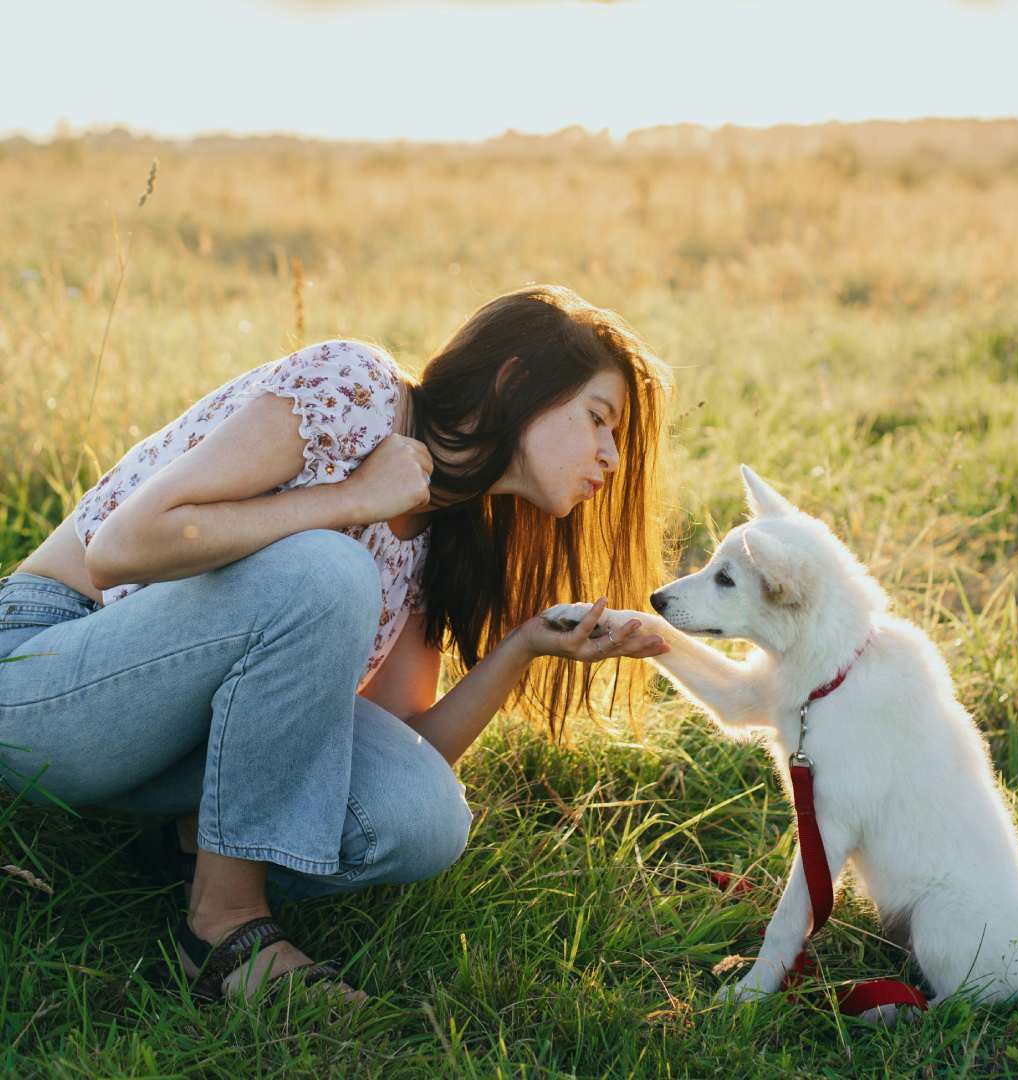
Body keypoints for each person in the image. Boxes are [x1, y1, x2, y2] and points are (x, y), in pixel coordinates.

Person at [0, 283, 673, 1005]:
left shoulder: (443, 527)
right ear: (515, 380)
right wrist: (353, 501)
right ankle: (222, 932)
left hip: (164, 729)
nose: (608, 459)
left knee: (422, 816)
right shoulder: (357, 391)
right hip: (46, 666)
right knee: (327, 569)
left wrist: (524, 646)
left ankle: (186, 845)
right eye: (598, 420)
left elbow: (398, 746)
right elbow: (120, 547)